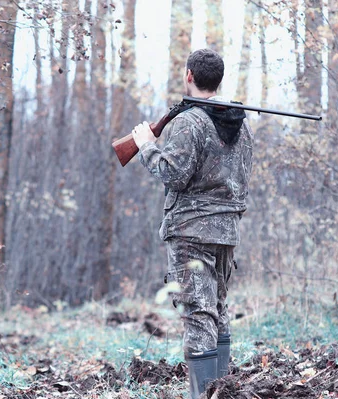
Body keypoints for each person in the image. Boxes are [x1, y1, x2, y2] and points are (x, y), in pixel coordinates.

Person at [131, 48, 253, 398]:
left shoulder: (188, 122)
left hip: (190, 232)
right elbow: (240, 181)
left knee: (199, 314)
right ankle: (221, 391)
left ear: (189, 76)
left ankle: (203, 395)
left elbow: (173, 174)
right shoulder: (241, 125)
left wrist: (147, 146)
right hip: (226, 232)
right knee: (217, 308)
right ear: (219, 80)